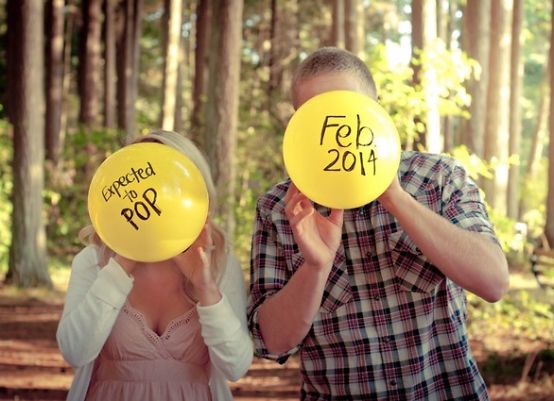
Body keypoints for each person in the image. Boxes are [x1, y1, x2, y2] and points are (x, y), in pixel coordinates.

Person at [247, 47, 509, 400]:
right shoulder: (279, 209)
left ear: (377, 110)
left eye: (348, 111)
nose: (336, 131)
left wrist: (395, 197)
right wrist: (315, 267)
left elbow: (493, 282)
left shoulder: (439, 177)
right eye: (317, 116)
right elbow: (271, 342)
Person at [57, 130, 253, 401]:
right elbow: (74, 352)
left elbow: (236, 366)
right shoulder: (93, 261)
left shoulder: (219, 264)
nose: (156, 196)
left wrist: (205, 286)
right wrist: (122, 261)